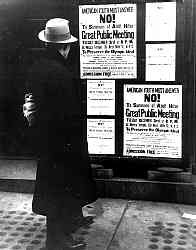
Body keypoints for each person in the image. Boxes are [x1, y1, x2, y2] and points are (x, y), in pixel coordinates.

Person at [23, 18, 97, 249]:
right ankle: (57, 241)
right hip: (63, 142)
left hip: (48, 140)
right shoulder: (60, 73)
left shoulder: (38, 67)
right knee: (60, 189)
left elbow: (33, 103)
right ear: (63, 46)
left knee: (61, 186)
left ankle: (72, 220)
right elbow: (66, 112)